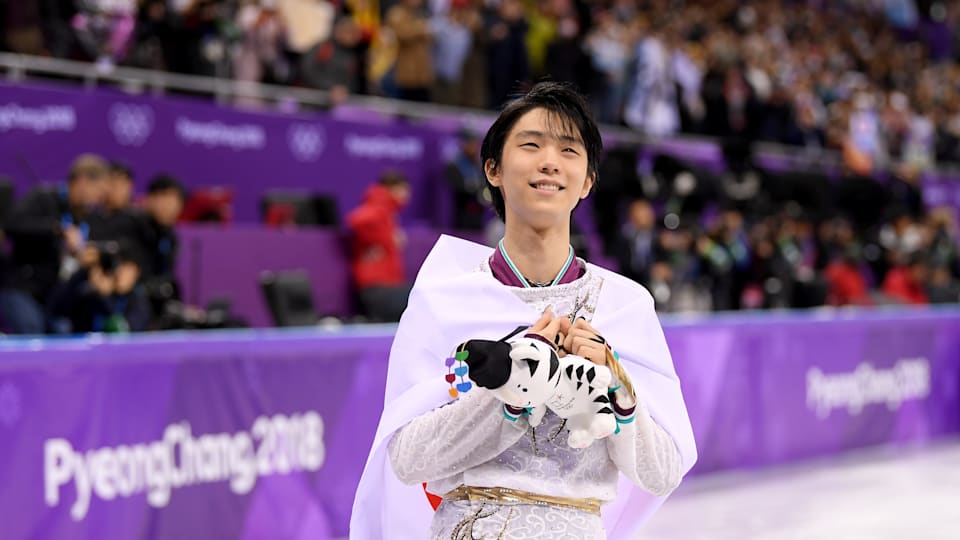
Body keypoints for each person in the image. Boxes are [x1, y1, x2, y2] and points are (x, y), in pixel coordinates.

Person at [351, 82, 696, 539]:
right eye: (531, 144)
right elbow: (409, 459)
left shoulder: (624, 305)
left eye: (569, 150)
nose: (549, 161)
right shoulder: (446, 300)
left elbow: (663, 471)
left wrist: (613, 386)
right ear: (493, 169)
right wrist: (512, 391)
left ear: (588, 180)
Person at [0, 154, 107, 334]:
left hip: (52, 296)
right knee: (33, 331)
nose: (97, 199)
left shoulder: (86, 217)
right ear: (81, 181)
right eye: (97, 191)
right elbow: (13, 225)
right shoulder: (44, 197)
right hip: (21, 289)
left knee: (63, 331)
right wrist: (57, 229)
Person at [346, 171, 413, 322]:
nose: (408, 196)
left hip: (388, 285)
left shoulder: (389, 213)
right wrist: (387, 238)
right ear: (392, 189)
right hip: (376, 288)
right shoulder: (379, 207)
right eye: (404, 190)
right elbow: (356, 220)